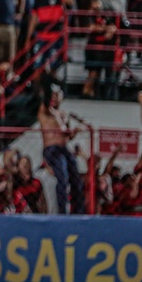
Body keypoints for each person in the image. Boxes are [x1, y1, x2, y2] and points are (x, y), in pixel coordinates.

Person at [39, 86, 85, 214]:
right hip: (52, 149)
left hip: (64, 148)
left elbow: (68, 136)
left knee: (76, 178)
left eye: (57, 96)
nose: (54, 98)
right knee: (62, 177)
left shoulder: (63, 115)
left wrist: (74, 132)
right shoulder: (45, 111)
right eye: (53, 95)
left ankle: (78, 210)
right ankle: (62, 210)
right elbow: (45, 103)